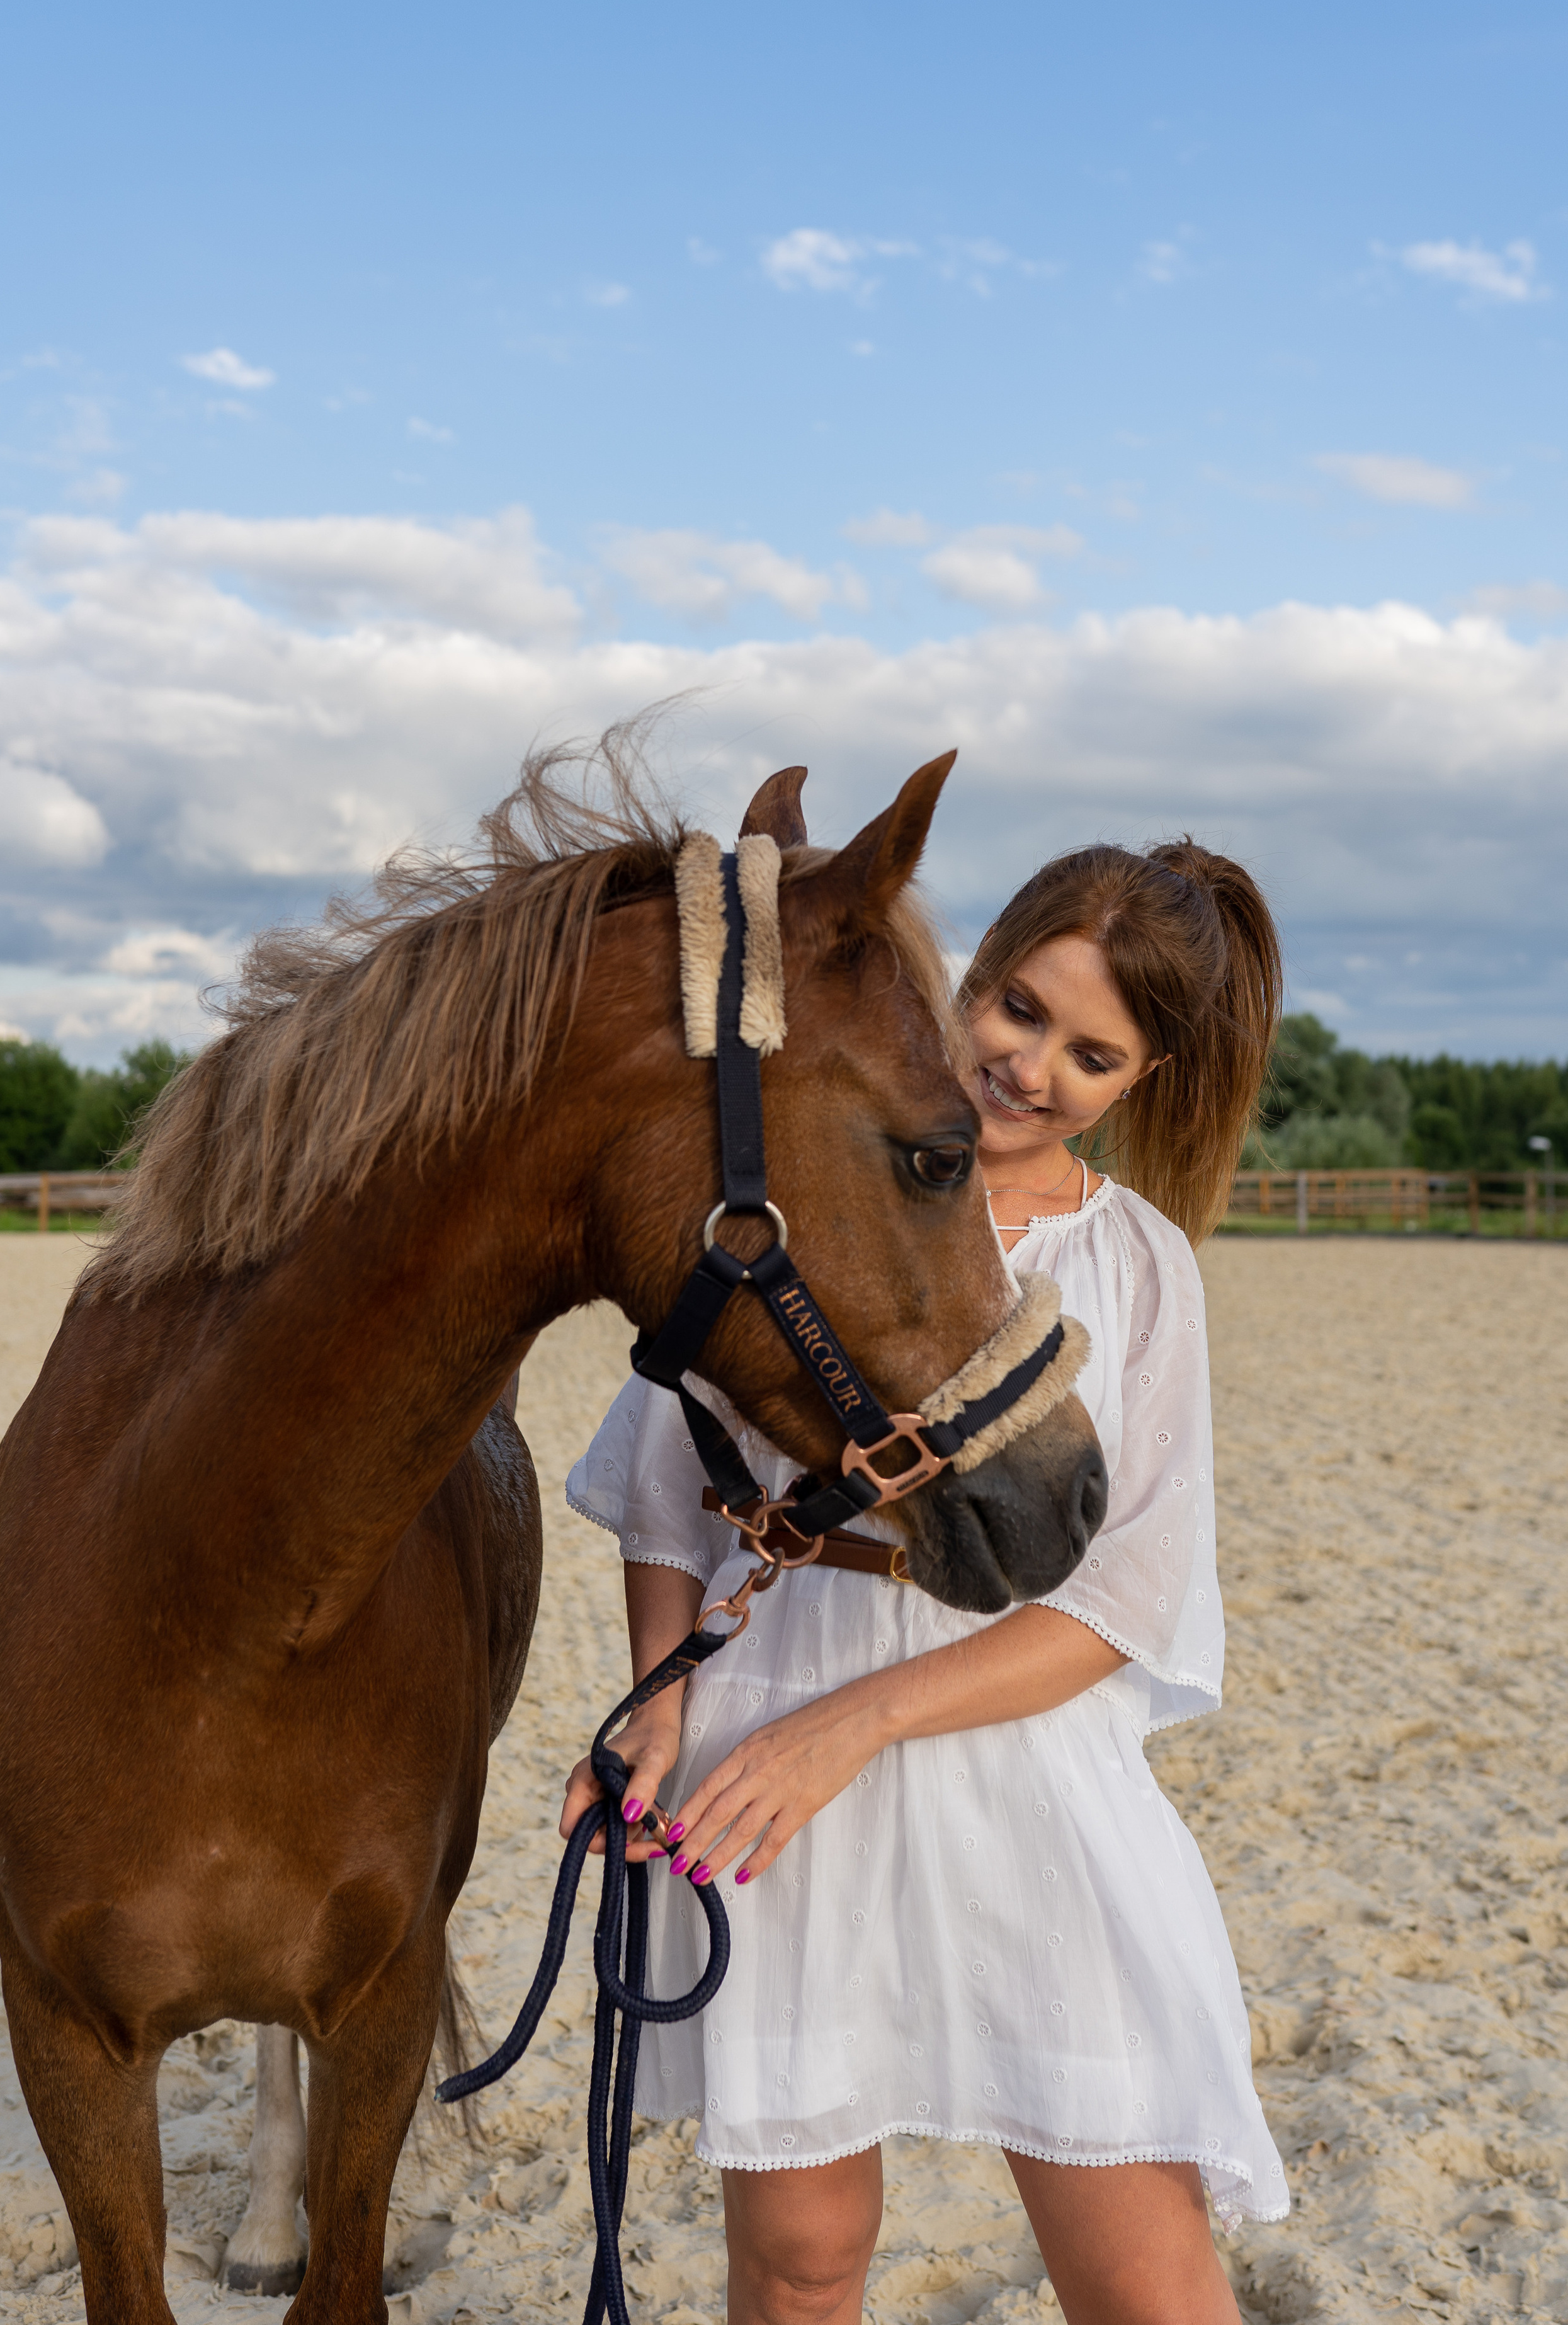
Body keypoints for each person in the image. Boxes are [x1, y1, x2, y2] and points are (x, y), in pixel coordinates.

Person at [563, 839, 1289, 2325]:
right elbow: (665, 1494)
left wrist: (859, 1722)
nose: (1028, 1066)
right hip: (765, 1761)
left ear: (1139, 1078)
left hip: (1018, 1771)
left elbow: (1120, 1608)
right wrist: (661, 1698)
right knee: (799, 2263)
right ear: (967, 972)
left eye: (1090, 1052)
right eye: (1016, 1008)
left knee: (1147, 2282)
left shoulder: (1136, 1266)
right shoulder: (801, 1184)